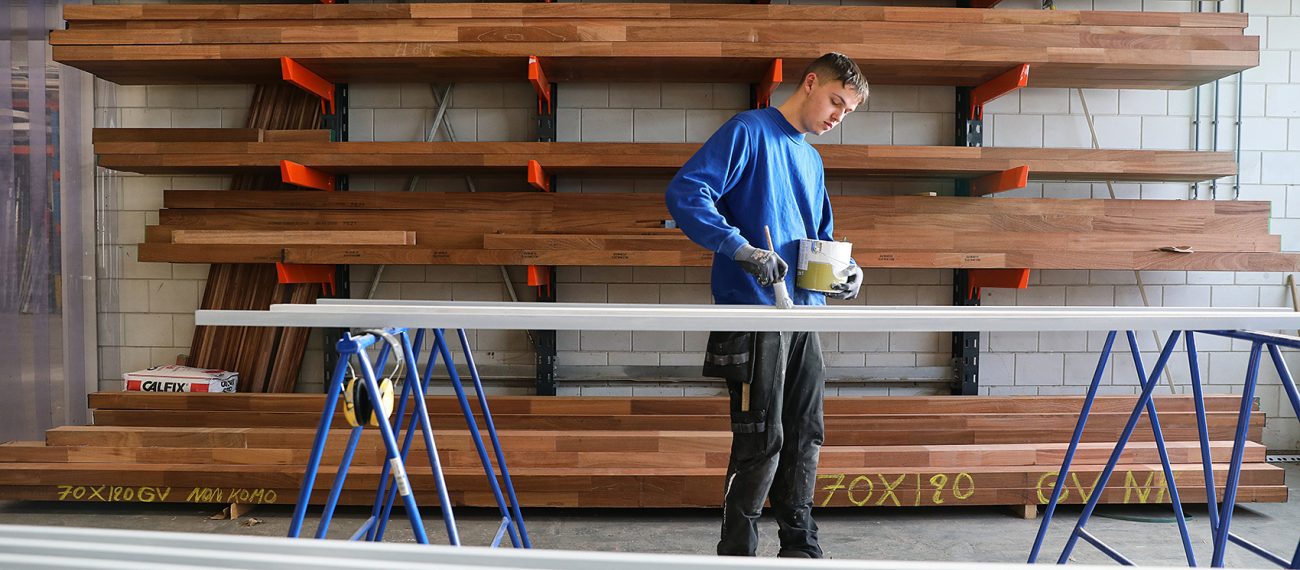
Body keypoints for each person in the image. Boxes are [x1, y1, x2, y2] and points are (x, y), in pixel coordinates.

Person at [664, 52, 868, 558]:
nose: (838, 117)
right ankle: (737, 555)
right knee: (762, 440)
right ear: (810, 82)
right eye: (835, 102)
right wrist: (739, 248)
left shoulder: (811, 159)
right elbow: (687, 192)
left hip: (803, 316)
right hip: (754, 313)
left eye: (848, 112)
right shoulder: (748, 132)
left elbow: (819, 236)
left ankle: (801, 550)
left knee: (805, 435)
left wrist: (846, 270)